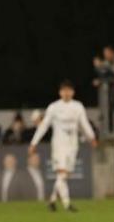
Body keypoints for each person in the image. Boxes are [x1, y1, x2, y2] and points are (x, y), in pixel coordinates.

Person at [29, 80, 97, 212]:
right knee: (62, 172)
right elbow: (44, 126)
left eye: (69, 90)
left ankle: (52, 201)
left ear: (73, 92)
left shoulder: (78, 106)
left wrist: (92, 137)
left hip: (73, 143)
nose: (66, 93)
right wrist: (34, 143)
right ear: (60, 92)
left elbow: (84, 124)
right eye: (64, 90)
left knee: (65, 175)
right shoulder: (54, 107)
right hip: (59, 144)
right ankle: (67, 204)